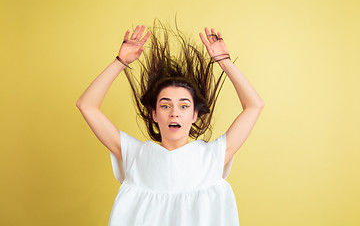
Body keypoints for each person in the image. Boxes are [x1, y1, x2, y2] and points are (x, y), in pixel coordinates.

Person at [76, 19, 264, 226]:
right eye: (166, 106)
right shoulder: (135, 155)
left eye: (184, 106)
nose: (174, 113)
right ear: (154, 114)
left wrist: (224, 60)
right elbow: (87, 105)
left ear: (194, 115)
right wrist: (120, 62)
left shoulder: (213, 157)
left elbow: (254, 105)